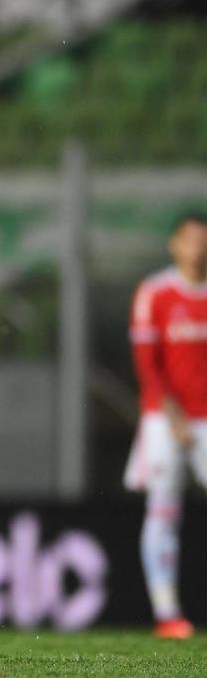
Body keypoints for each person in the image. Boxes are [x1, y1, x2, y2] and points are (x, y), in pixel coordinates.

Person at [124, 211, 207, 640]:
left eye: (203, 239)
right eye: (190, 239)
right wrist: (174, 417)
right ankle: (167, 612)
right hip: (165, 418)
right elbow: (147, 365)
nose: (198, 247)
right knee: (163, 511)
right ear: (175, 244)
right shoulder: (155, 293)